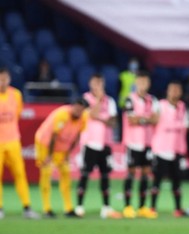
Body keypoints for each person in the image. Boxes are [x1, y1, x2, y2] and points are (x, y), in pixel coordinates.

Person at [75, 73, 122, 219]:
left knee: (105, 175)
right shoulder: (85, 99)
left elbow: (113, 122)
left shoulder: (110, 101)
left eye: (100, 83)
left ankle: (106, 207)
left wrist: (102, 117)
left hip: (105, 143)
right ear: (90, 84)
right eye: (95, 83)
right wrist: (99, 102)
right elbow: (91, 115)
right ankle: (80, 206)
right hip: (89, 142)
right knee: (85, 174)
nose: (97, 86)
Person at [34, 98, 89, 218]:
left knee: (65, 173)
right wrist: (49, 156)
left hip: (62, 147)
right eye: (76, 109)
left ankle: (68, 208)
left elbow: (77, 136)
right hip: (45, 144)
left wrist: (68, 154)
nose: (78, 112)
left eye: (81, 110)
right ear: (72, 106)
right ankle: (47, 208)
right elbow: (54, 136)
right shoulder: (62, 115)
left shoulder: (83, 118)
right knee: (46, 173)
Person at [0, 66, 40, 219]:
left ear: (9, 79)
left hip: (13, 140)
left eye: (5, 79)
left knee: (20, 174)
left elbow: (17, 114)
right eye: (0, 79)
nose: (2, 82)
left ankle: (27, 207)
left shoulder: (16, 94)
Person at [121, 70, 159, 219]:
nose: (143, 85)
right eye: (140, 82)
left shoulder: (153, 100)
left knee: (145, 174)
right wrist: (147, 119)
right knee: (130, 173)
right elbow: (131, 120)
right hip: (133, 143)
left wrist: (141, 119)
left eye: (145, 82)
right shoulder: (129, 99)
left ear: (148, 83)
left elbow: (156, 120)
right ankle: (128, 206)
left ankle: (143, 206)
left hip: (148, 142)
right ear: (136, 83)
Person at [149, 80, 189, 217]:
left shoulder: (183, 107)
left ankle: (178, 208)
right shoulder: (159, 105)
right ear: (167, 91)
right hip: (161, 148)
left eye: (177, 90)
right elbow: (153, 120)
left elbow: (186, 126)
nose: (175, 92)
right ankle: (152, 208)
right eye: (172, 89)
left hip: (177, 149)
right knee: (157, 180)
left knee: (177, 181)